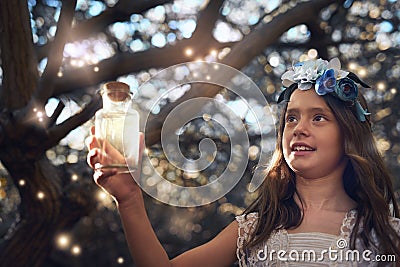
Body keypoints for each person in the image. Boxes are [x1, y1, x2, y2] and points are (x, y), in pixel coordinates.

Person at [87, 57, 400, 266]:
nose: (299, 128)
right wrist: (129, 199)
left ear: (348, 134)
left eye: (319, 117)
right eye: (291, 118)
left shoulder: (384, 232)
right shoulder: (256, 230)